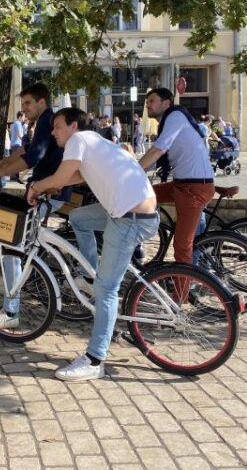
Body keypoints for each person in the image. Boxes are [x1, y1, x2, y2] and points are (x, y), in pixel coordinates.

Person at [28, 107, 159, 381]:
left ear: (74, 126)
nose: (53, 132)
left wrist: (37, 186)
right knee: (78, 218)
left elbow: (62, 178)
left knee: (107, 289)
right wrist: (50, 186)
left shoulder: (78, 140)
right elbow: (77, 177)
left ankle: (94, 360)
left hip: (130, 219)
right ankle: (90, 275)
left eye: (58, 126)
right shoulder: (98, 143)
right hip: (136, 212)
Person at [0, 83, 69, 327]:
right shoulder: (45, 121)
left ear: (41, 102)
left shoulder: (48, 121)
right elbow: (24, 151)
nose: (23, 109)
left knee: (11, 246)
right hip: (43, 192)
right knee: (20, 245)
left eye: (27, 103)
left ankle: (11, 311)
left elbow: (32, 158)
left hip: (47, 194)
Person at [138, 88, 214, 264]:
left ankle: (184, 282)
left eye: (152, 101)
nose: (148, 105)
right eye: (147, 102)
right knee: (144, 196)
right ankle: (136, 242)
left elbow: (159, 148)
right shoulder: (168, 121)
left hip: (193, 188)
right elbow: (158, 157)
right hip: (182, 184)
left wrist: (135, 169)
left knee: (182, 246)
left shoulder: (175, 116)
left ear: (166, 103)